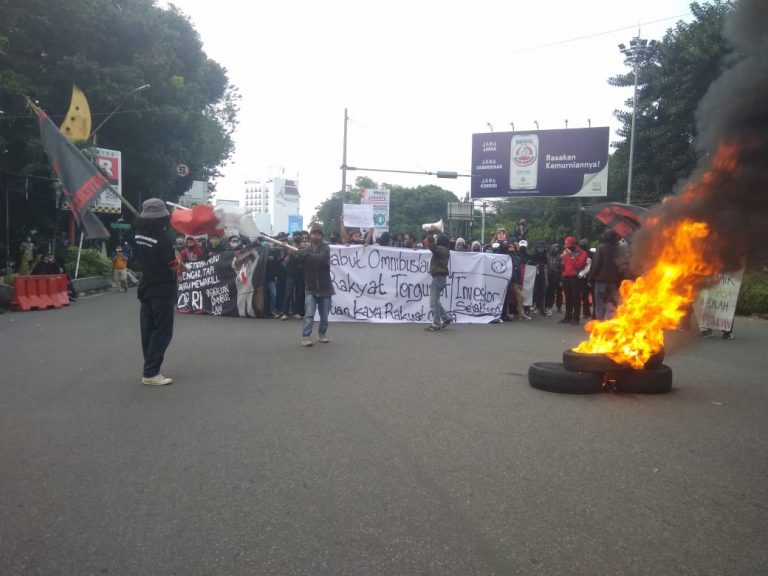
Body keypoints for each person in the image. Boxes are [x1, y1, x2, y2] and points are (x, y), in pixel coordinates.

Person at [133, 198, 178, 386]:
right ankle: (151, 372)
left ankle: (149, 367)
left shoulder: (136, 236)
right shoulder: (163, 240)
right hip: (162, 289)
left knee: (149, 330)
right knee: (162, 331)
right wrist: (179, 263)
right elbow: (173, 267)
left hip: (146, 288)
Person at [296, 224, 334, 346]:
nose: (316, 235)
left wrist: (307, 254)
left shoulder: (326, 248)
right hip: (310, 287)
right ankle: (305, 337)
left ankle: (322, 334)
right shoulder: (305, 249)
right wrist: (296, 250)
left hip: (325, 288)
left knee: (324, 316)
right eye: (314, 233)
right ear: (310, 235)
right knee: (309, 314)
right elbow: (297, 259)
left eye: (318, 234)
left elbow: (322, 259)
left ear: (321, 236)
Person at [588, 230, 622, 320]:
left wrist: (590, 279)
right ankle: (607, 326)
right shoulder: (619, 250)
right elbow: (622, 267)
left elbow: (595, 265)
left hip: (601, 282)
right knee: (610, 306)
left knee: (600, 305)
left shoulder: (601, 248)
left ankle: (600, 326)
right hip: (613, 283)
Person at [425, 231, 452, 331]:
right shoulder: (445, 250)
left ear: (440, 241)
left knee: (433, 303)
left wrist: (430, 235)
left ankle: (436, 324)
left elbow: (432, 247)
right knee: (435, 301)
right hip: (440, 278)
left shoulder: (441, 249)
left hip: (438, 277)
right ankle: (446, 318)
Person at [559, 236, 588, 325]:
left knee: (576, 298)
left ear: (574, 245)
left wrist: (572, 255)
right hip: (566, 278)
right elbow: (563, 265)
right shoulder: (566, 253)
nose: (567, 248)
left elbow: (579, 265)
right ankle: (567, 317)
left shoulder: (582, 253)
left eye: (569, 246)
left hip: (575, 278)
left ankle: (576, 318)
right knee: (568, 298)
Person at [545, 243, 562, 315]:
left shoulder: (559, 257)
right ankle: (544, 306)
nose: (556, 249)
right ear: (551, 248)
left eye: (557, 249)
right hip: (547, 275)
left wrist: (560, 279)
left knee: (552, 292)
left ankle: (549, 307)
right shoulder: (547, 255)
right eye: (554, 248)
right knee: (546, 291)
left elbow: (561, 269)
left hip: (555, 275)